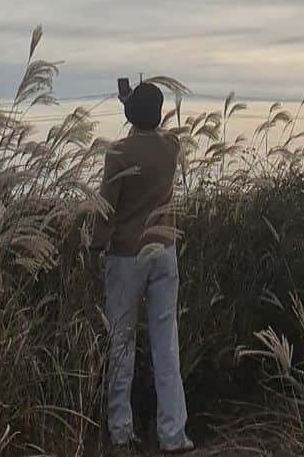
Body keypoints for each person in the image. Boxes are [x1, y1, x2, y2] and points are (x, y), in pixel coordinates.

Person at [93, 80, 193, 453]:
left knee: (121, 342)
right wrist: (132, 104)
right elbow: (150, 128)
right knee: (166, 345)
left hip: (126, 255)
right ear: (160, 112)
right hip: (164, 251)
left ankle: (121, 429)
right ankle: (173, 435)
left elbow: (107, 208)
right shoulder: (171, 147)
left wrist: (96, 245)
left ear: (130, 113)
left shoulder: (118, 153)